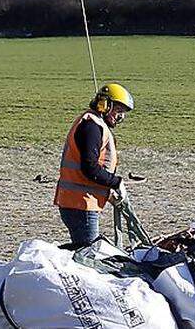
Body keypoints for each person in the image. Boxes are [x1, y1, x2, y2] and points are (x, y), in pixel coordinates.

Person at [53, 83, 134, 247]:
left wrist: (109, 192)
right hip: (80, 204)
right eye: (118, 111)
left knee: (82, 249)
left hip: (79, 202)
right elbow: (90, 168)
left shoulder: (94, 124)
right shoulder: (92, 127)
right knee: (88, 254)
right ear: (105, 105)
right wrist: (116, 182)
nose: (120, 117)